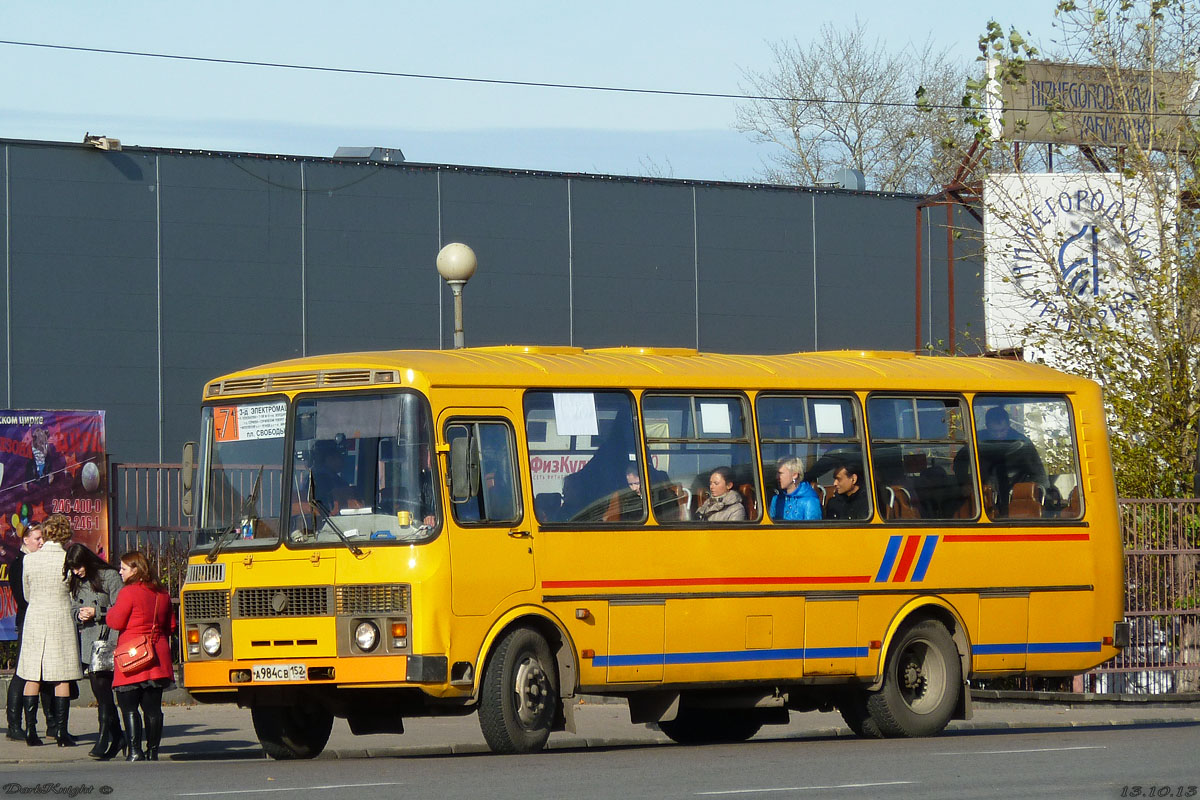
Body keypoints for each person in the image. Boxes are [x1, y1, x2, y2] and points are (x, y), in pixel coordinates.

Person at [15, 514, 83, 747]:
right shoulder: (67, 559)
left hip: (36, 617)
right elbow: (74, 593)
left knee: (32, 674)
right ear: (65, 535)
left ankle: (31, 731)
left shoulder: (30, 560)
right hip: (61, 617)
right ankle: (61, 732)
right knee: (60, 676)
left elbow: (26, 594)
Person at [108, 551, 176, 761]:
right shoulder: (162, 593)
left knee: (128, 706)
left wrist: (108, 611)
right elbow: (171, 626)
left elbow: (115, 622)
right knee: (153, 708)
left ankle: (135, 751)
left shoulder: (129, 593)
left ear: (135, 570)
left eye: (124, 568)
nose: (120, 571)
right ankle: (153, 751)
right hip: (157, 656)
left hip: (132, 656)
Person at [65, 543, 126, 760]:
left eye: (79, 567)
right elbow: (72, 606)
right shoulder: (76, 582)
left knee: (103, 690)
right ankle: (117, 735)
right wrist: (78, 615)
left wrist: (97, 612)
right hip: (89, 642)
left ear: (87, 561)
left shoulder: (109, 576)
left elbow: (121, 607)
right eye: (72, 569)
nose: (76, 572)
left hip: (108, 640)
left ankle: (105, 737)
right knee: (100, 693)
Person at [5, 522, 53, 742]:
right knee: (23, 672)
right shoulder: (20, 563)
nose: (41, 542)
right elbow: (23, 597)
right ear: (25, 540)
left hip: (46, 620)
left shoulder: (42, 561)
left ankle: (53, 723)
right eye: (37, 539)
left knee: (49, 672)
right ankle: (14, 724)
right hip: (29, 621)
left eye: (43, 539)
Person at [769, 457, 822, 521]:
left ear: (794, 475)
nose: (777, 477)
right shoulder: (776, 499)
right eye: (777, 473)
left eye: (780, 473)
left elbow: (812, 529)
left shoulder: (810, 501)